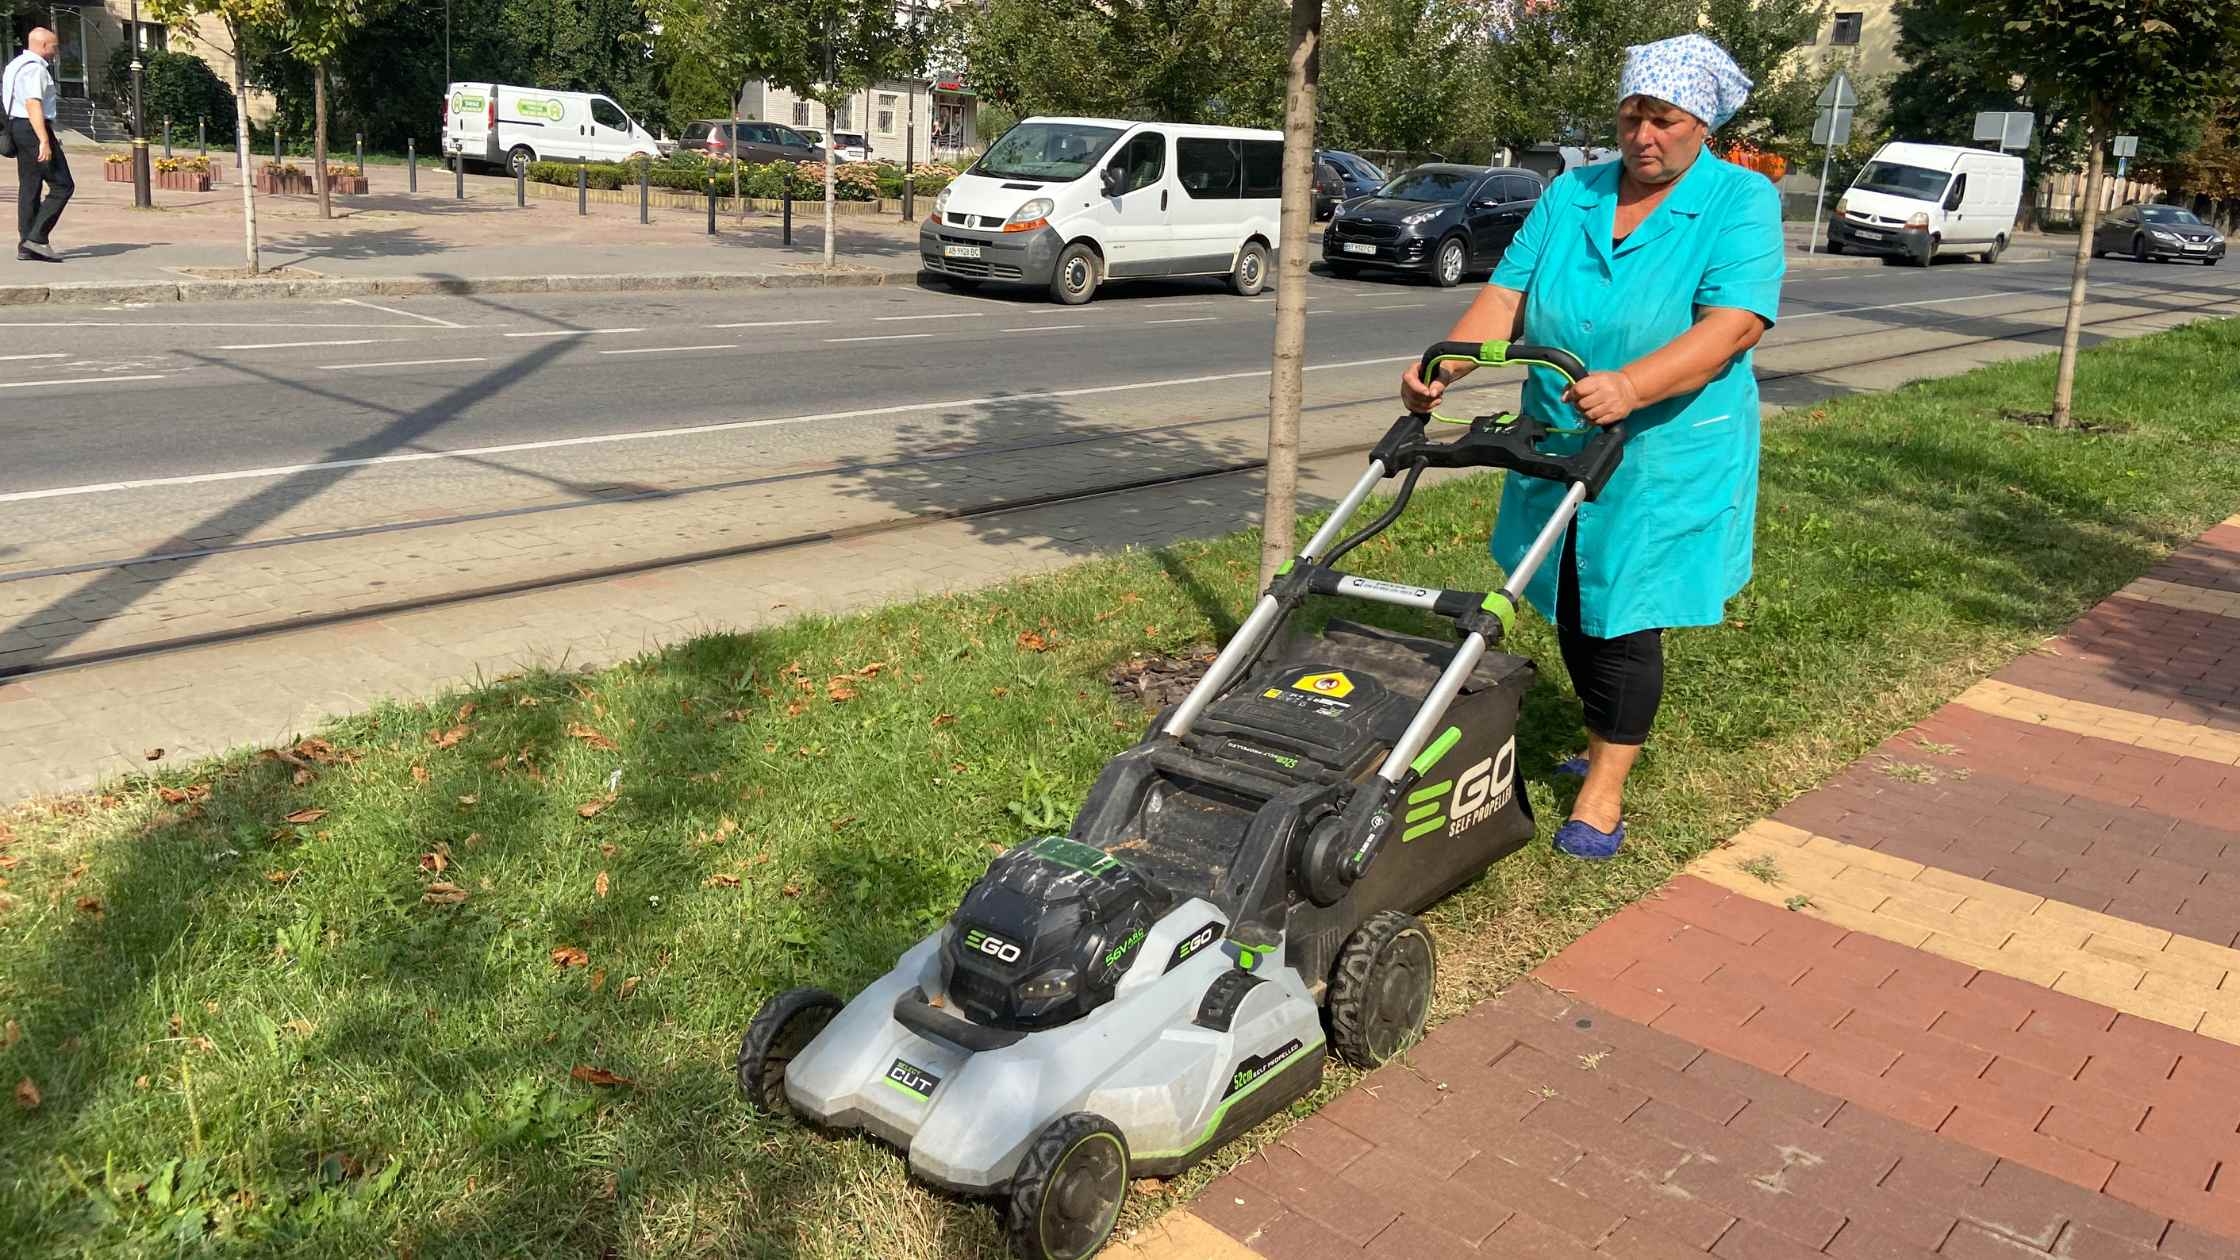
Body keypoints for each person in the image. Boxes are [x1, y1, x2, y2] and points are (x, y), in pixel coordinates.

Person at [1398, 33, 1783, 860]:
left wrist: (1635, 385)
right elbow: (1507, 294)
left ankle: (1604, 789)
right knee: (1573, 595)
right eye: (1632, 117)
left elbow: (1734, 324)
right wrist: (1446, 365)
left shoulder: (1740, 202)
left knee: (1626, 615)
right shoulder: (1571, 193)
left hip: (1664, 443)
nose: (1644, 137)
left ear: (1702, 123)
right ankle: (1599, 729)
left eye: (1664, 121)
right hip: (1561, 430)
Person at [6, 26, 72, 263]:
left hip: (17, 128)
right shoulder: (35, 70)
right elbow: (33, 103)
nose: (56, 51)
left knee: (30, 186)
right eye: (54, 46)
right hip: (33, 128)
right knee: (62, 185)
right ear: (43, 45)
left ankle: (26, 244)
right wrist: (44, 139)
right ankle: (37, 237)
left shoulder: (14, 65)